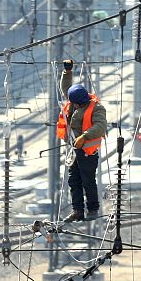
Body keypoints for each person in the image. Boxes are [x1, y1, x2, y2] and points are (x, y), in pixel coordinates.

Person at [55, 61, 108, 223]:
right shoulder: (73, 103)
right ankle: (77, 210)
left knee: (88, 181)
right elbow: (66, 88)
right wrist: (67, 71)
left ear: (80, 101)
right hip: (73, 150)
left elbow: (100, 127)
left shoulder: (97, 108)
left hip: (87, 152)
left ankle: (93, 209)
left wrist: (84, 136)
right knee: (74, 181)